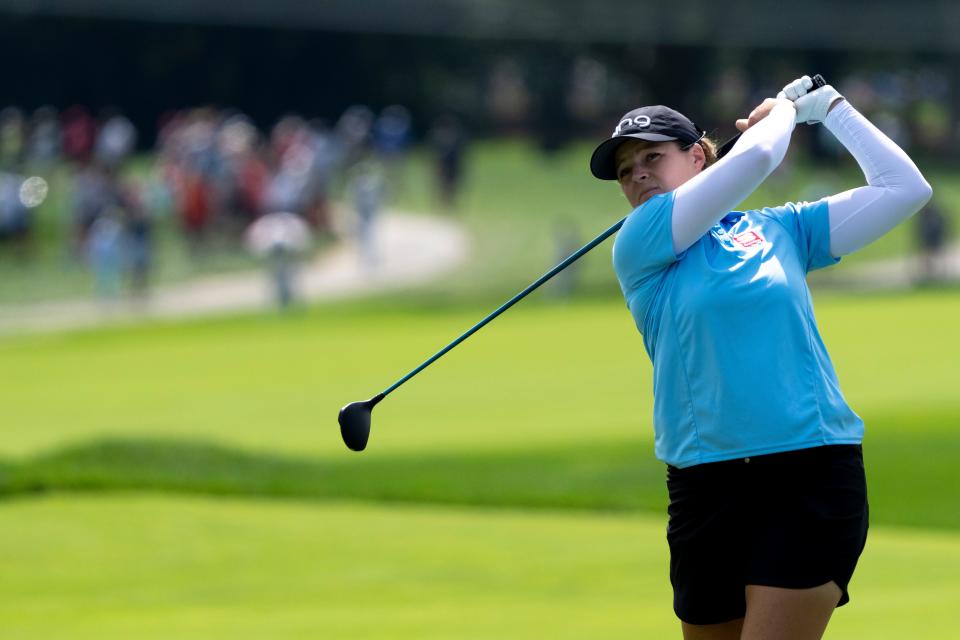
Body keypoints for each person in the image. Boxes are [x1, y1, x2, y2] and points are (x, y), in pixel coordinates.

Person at [589, 76, 931, 639]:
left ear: (698, 156)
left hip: (809, 471)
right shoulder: (640, 240)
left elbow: (904, 189)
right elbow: (763, 155)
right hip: (703, 487)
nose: (637, 175)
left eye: (652, 156)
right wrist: (782, 112)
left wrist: (828, 109)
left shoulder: (780, 229)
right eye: (626, 171)